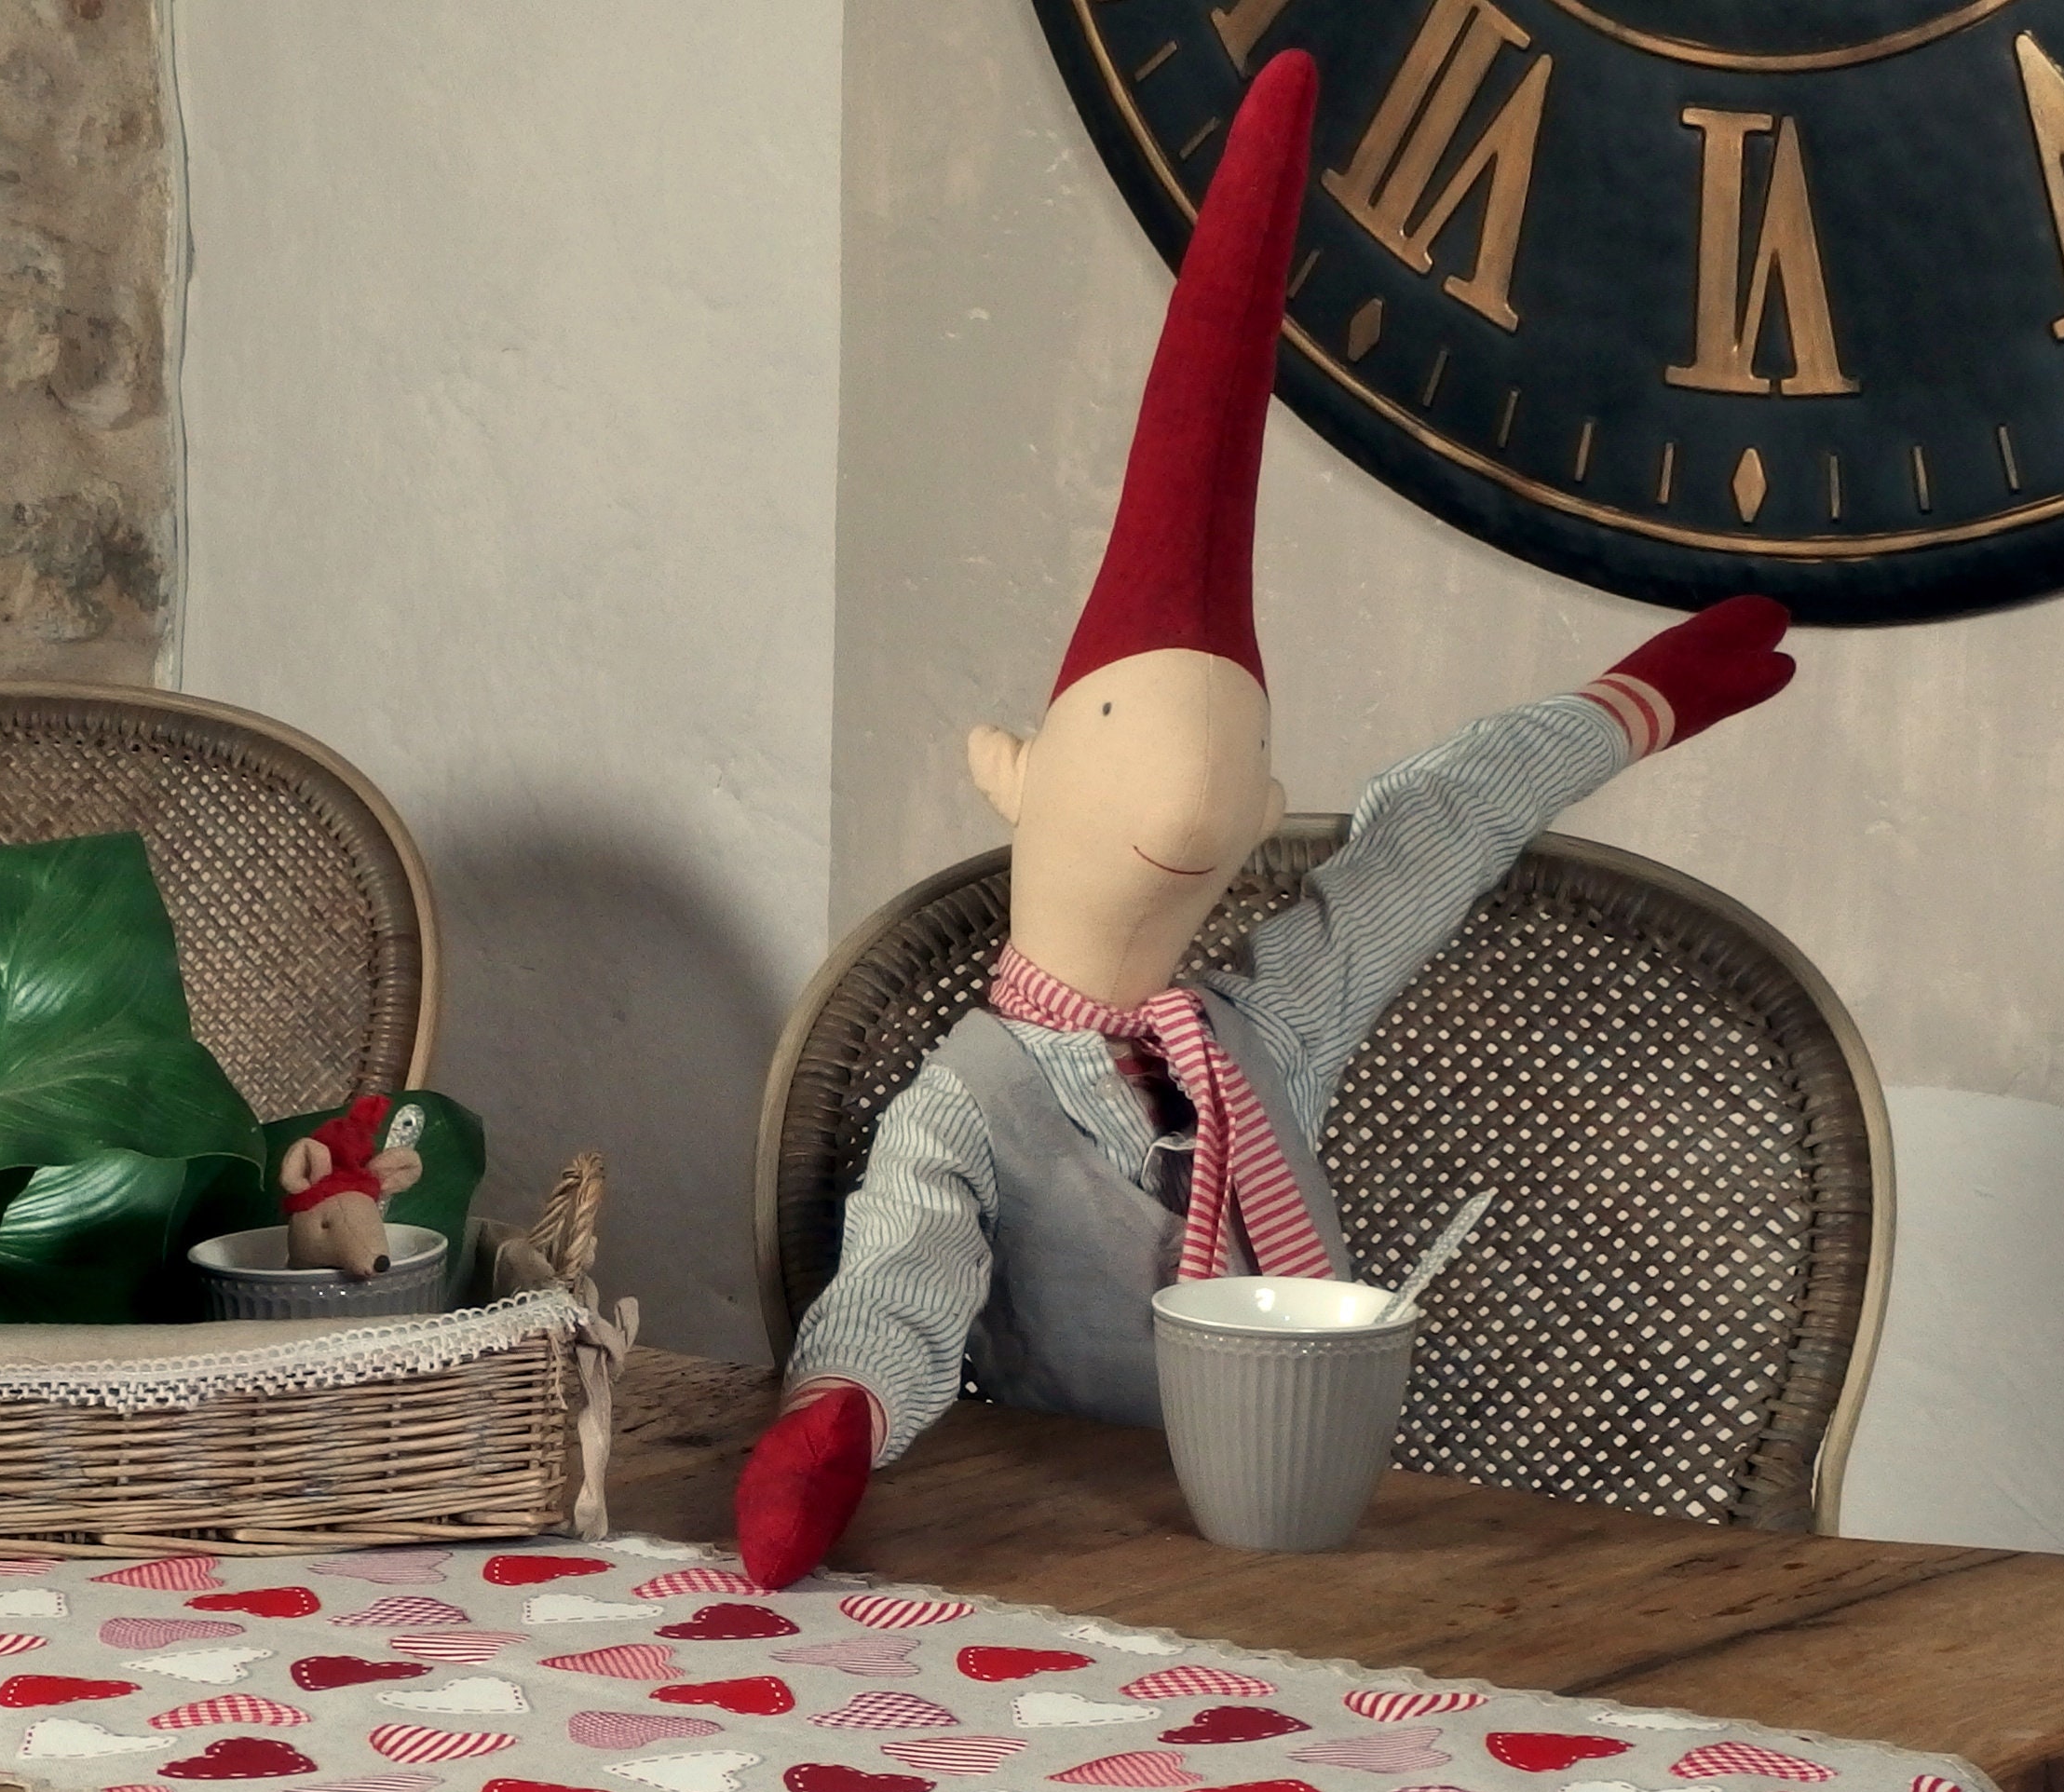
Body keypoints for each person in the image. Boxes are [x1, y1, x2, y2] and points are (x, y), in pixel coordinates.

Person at [735, 49, 1792, 1588]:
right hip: (1079, 1537)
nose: (1187, 803)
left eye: (1233, 768)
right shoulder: (969, 1103)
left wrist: (1627, 706)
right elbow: (904, 1277)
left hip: (1315, 1519)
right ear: (1015, 771)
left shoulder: (1264, 1026)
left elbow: (1431, 837)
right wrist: (837, 1417)